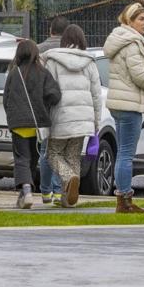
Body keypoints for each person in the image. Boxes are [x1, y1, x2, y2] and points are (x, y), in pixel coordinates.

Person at [104, 3, 144, 214]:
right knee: (126, 153)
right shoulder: (132, 43)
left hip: (120, 102)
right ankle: (125, 199)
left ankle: (122, 200)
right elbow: (139, 76)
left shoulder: (119, 39)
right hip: (129, 103)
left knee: (122, 152)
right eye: (141, 19)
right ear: (130, 21)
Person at [42, 25, 105, 208]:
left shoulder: (52, 60)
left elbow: (48, 90)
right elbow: (96, 94)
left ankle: (70, 178)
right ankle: (68, 200)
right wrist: (95, 122)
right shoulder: (90, 62)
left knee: (53, 154)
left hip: (60, 115)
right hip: (83, 118)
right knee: (73, 156)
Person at [2, 39, 61, 209]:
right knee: (32, 159)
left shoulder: (14, 73)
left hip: (19, 124)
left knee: (21, 158)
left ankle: (26, 191)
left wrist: (12, 116)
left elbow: (6, 98)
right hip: (38, 125)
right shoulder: (43, 72)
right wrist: (44, 105)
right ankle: (27, 191)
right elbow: (55, 95)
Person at [35, 16, 69, 203]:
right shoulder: (72, 52)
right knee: (60, 152)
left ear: (50, 30)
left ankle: (45, 191)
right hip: (65, 107)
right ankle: (58, 191)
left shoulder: (39, 50)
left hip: (44, 107)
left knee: (45, 150)